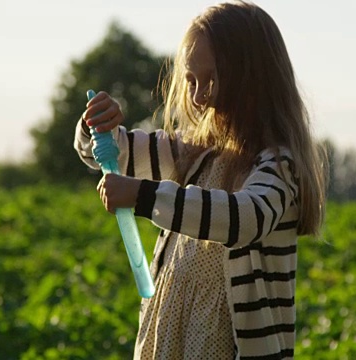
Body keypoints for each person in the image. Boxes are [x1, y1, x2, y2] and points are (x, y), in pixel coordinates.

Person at [74, 1, 325, 358]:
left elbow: (243, 218)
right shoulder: (193, 153)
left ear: (253, 81)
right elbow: (113, 153)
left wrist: (143, 197)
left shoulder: (278, 165)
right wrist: (97, 128)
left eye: (212, 80)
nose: (198, 96)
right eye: (191, 80)